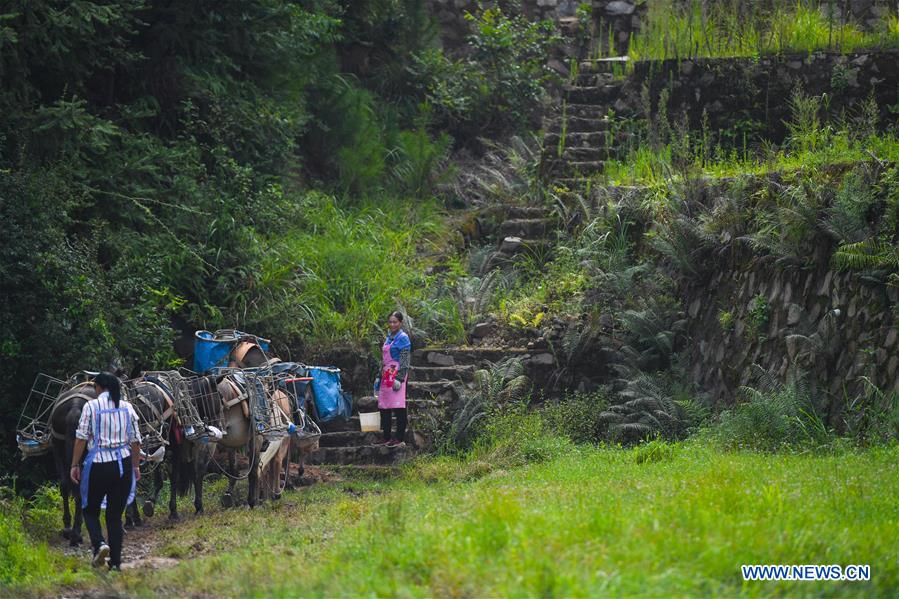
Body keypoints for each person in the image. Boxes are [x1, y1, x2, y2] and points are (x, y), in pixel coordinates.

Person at [70, 372, 141, 571]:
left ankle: (100, 543)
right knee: (114, 516)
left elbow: (81, 438)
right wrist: (135, 466)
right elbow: (135, 441)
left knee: (89, 510)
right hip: (123, 465)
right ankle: (116, 564)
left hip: (99, 466)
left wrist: (75, 465)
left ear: (99, 387)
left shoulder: (91, 407)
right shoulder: (127, 407)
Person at [375, 311, 411, 447]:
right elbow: (383, 359)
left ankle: (399, 437)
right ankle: (386, 436)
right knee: (384, 406)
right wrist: (379, 376)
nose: (392, 324)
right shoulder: (389, 337)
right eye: (390, 322)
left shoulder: (403, 338)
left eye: (395, 322)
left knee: (398, 406)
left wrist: (400, 378)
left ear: (400, 323)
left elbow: (405, 359)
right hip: (386, 374)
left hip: (396, 374)